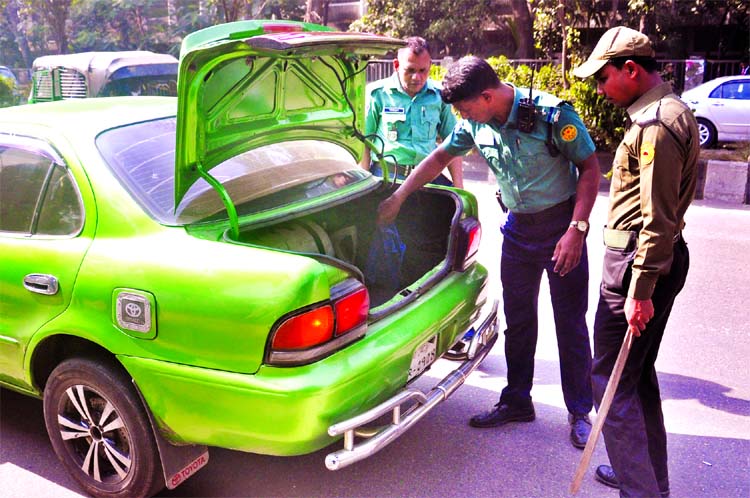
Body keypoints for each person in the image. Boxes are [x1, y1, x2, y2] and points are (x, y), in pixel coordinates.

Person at [377, 55, 600, 449]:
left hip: (561, 230)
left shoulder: (551, 116)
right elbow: (439, 158)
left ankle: (580, 411)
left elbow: (590, 168)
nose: (463, 117)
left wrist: (577, 230)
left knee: (569, 323)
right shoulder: (475, 123)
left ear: (486, 96)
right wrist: (399, 196)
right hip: (518, 231)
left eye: (465, 109)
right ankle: (517, 400)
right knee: (518, 319)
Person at [573, 26, 700, 497]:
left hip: (635, 264)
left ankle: (640, 490)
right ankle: (649, 480)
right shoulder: (665, 111)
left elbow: (657, 217)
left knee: (611, 379)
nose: (601, 90)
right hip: (646, 262)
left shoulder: (654, 126)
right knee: (636, 376)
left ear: (630, 69)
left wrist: (639, 290)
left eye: (604, 79)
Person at [363, 36, 463, 187]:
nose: (417, 77)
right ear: (396, 65)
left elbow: (453, 141)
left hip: (427, 178)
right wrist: (363, 181)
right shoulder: (377, 94)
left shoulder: (439, 95)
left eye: (423, 70)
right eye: (410, 70)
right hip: (387, 176)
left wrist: (459, 187)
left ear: (430, 65)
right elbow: (364, 141)